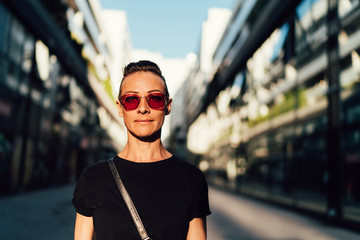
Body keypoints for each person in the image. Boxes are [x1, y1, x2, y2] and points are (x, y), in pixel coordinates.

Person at [73, 60, 211, 240]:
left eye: (154, 99)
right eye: (131, 100)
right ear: (120, 108)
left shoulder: (192, 180)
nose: (143, 108)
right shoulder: (92, 179)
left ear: (167, 106)